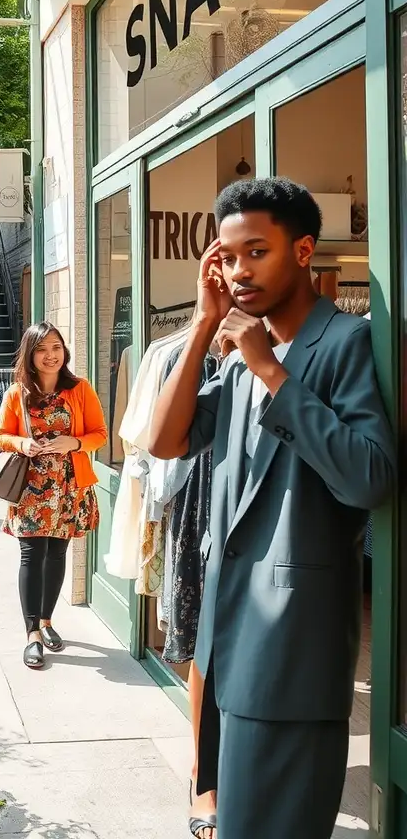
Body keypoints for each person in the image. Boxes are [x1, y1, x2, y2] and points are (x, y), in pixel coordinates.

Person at [148, 178, 395, 839]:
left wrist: (271, 371)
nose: (238, 271)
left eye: (255, 252)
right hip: (228, 642)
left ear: (305, 250)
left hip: (293, 648)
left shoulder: (345, 344)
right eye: (226, 257)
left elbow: (369, 478)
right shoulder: (232, 356)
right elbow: (164, 439)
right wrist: (203, 324)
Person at [0, 322, 107, 670]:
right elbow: (1, 436)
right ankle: (31, 635)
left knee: (57, 553)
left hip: (68, 486)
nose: (51, 355)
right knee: (32, 554)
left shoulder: (80, 389)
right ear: (30, 355)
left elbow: (100, 434)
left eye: (56, 347)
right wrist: (22, 443)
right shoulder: (17, 393)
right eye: (42, 349)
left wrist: (73, 442)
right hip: (29, 487)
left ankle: (46, 621)